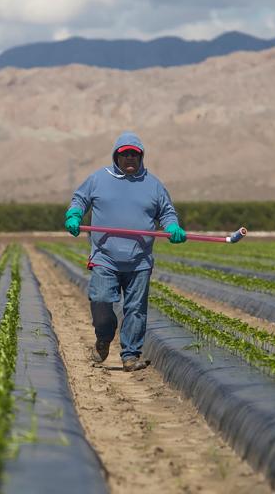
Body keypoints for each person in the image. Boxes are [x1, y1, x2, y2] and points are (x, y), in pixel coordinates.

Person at [65, 131, 186, 372]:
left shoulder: (153, 185)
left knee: (135, 310)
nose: (130, 158)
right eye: (125, 154)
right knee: (100, 299)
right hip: (105, 256)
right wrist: (74, 214)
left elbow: (167, 212)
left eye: (134, 154)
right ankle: (104, 335)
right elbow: (80, 199)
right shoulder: (99, 179)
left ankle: (130, 355)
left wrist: (172, 226)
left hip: (139, 260)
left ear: (141, 156)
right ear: (116, 157)